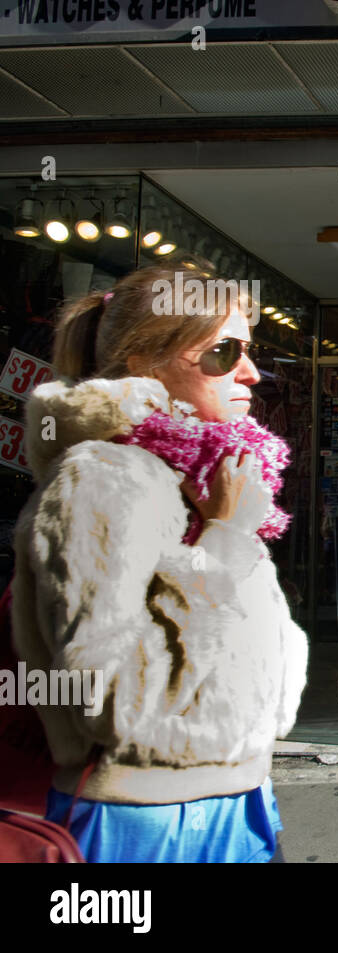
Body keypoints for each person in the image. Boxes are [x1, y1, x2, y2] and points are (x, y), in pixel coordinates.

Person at [9, 265, 308, 862]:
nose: (251, 372)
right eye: (224, 352)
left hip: (239, 799)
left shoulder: (206, 472)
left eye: (250, 350)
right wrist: (225, 537)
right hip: (146, 823)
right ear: (147, 357)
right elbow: (110, 697)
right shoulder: (103, 476)